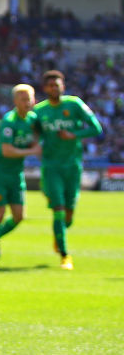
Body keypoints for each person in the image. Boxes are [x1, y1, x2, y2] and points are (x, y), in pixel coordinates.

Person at [33, 69, 103, 270]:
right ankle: (65, 255)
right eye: (50, 85)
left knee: (69, 214)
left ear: (63, 86)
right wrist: (36, 148)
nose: (54, 88)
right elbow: (34, 135)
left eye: (57, 85)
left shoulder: (75, 104)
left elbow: (96, 129)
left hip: (72, 166)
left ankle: (59, 234)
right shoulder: (39, 111)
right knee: (58, 209)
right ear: (45, 88)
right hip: (51, 166)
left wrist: (74, 134)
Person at [0, 84, 42, 269]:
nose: (27, 102)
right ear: (15, 101)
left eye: (29, 98)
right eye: (23, 99)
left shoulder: (32, 120)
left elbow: (38, 137)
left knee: (18, 216)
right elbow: (6, 151)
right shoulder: (9, 121)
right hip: (0, 173)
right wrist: (32, 150)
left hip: (16, 174)